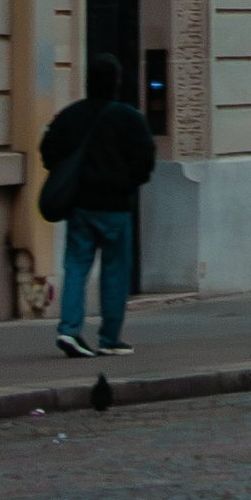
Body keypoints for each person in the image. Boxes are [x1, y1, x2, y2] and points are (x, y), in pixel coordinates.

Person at [41, 56, 157, 358]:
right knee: (115, 272)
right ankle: (109, 337)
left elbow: (48, 151)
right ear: (117, 83)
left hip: (80, 205)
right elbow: (146, 160)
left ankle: (69, 330)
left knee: (76, 267)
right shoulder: (129, 118)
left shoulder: (70, 116)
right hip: (116, 206)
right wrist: (128, 182)